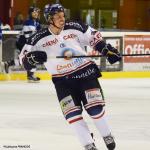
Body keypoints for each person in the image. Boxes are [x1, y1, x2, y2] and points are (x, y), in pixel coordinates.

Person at [19, 3, 121, 150]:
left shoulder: (75, 26)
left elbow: (94, 38)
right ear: (49, 19)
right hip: (62, 82)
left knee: (95, 109)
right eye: (58, 16)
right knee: (72, 115)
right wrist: (31, 58)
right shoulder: (37, 38)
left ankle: (106, 134)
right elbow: (23, 60)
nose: (62, 19)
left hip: (85, 72)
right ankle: (88, 144)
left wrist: (105, 49)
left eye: (63, 15)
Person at [5, 6, 41, 82]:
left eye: (37, 12)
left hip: (27, 43)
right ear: (30, 13)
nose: (36, 13)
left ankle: (10, 63)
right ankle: (30, 75)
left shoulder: (36, 23)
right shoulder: (28, 22)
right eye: (34, 12)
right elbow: (27, 36)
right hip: (23, 43)